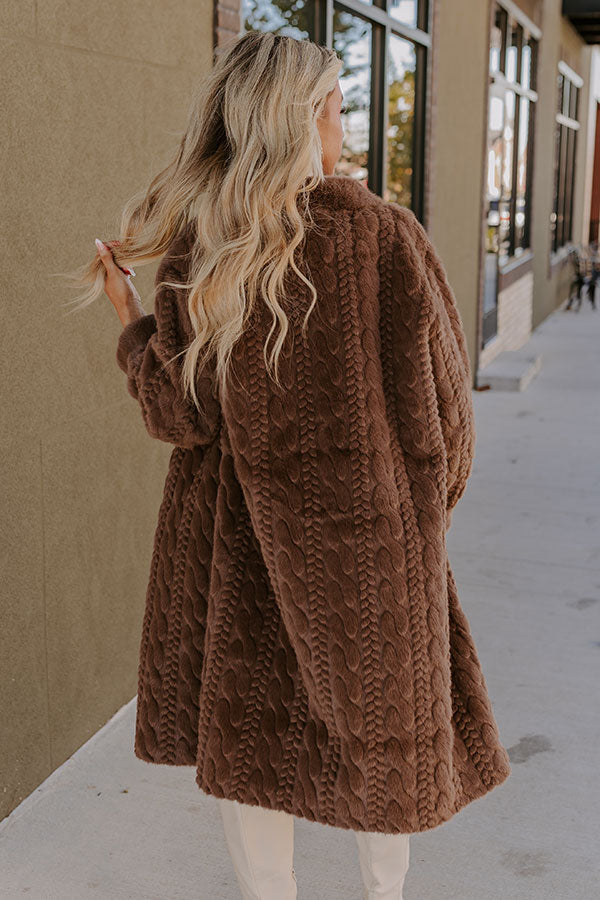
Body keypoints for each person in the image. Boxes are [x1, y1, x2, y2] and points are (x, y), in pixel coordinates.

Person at [68, 31, 511, 900]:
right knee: (387, 747)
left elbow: (179, 416)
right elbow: (450, 427)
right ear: (301, 123)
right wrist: (415, 521)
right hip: (371, 556)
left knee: (253, 755)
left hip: (241, 559)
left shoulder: (204, 252)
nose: (344, 127)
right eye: (337, 110)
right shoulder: (385, 238)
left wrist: (131, 321)